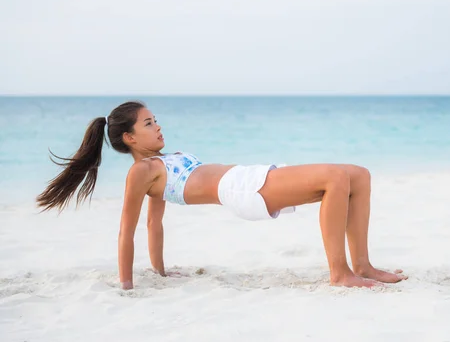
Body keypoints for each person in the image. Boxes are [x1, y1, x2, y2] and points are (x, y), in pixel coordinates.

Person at [37, 100, 407, 290]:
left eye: (156, 119)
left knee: (358, 175)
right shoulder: (141, 171)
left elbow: (156, 226)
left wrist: (161, 271)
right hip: (240, 190)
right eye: (148, 124)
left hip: (247, 176)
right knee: (334, 177)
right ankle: (340, 273)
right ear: (130, 138)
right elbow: (131, 229)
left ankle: (362, 265)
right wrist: (127, 283)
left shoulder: (162, 161)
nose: (158, 125)